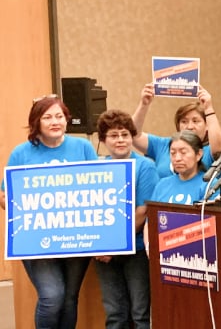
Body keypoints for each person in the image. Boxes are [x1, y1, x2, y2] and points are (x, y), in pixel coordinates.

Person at [0, 95, 98, 328]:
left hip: (77, 236)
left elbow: (100, 185)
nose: (55, 121)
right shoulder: (21, 153)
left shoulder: (83, 147)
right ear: (37, 122)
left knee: (69, 299)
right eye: (47, 117)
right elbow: (4, 196)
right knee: (52, 296)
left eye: (59, 116)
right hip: (36, 240)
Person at [94, 109, 158, 329]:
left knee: (140, 314)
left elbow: (142, 211)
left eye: (124, 134)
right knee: (114, 314)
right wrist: (101, 246)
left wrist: (114, 245)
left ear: (132, 137)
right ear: (103, 140)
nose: (120, 140)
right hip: (104, 254)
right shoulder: (95, 167)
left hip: (136, 251)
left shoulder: (145, 166)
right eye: (113, 135)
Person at [132, 83, 221, 178]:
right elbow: (134, 135)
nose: (190, 126)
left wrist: (208, 108)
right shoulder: (164, 145)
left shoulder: (209, 150)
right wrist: (144, 105)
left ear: (207, 126)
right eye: (184, 121)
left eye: (195, 121)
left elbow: (219, 150)